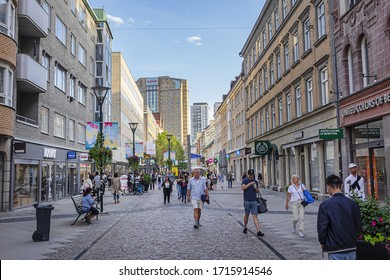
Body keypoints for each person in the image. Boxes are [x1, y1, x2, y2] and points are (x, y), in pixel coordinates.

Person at [318, 174, 362, 260]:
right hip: (351, 245)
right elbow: (358, 225)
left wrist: (322, 242)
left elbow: (322, 227)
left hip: (335, 247)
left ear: (329, 187)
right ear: (341, 186)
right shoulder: (352, 203)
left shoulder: (325, 205)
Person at [241, 169, 264, 237]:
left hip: (254, 200)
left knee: (255, 215)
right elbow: (243, 187)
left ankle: (258, 230)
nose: (252, 176)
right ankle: (245, 227)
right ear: (248, 175)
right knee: (247, 215)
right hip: (247, 200)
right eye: (251, 175)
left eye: (253, 175)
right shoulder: (245, 180)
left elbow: (257, 191)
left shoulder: (255, 181)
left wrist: (256, 188)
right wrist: (250, 184)